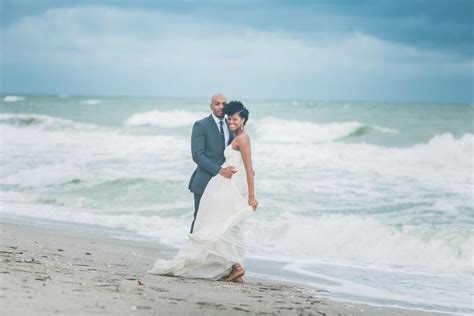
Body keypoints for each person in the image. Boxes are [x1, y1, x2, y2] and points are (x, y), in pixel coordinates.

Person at [148, 101, 258, 283]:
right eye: (229, 118)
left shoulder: (243, 138)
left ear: (243, 120)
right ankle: (233, 266)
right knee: (224, 223)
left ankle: (236, 266)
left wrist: (252, 195)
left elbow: (249, 168)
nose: (231, 121)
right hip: (227, 183)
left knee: (227, 224)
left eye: (235, 119)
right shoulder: (235, 136)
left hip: (233, 186)